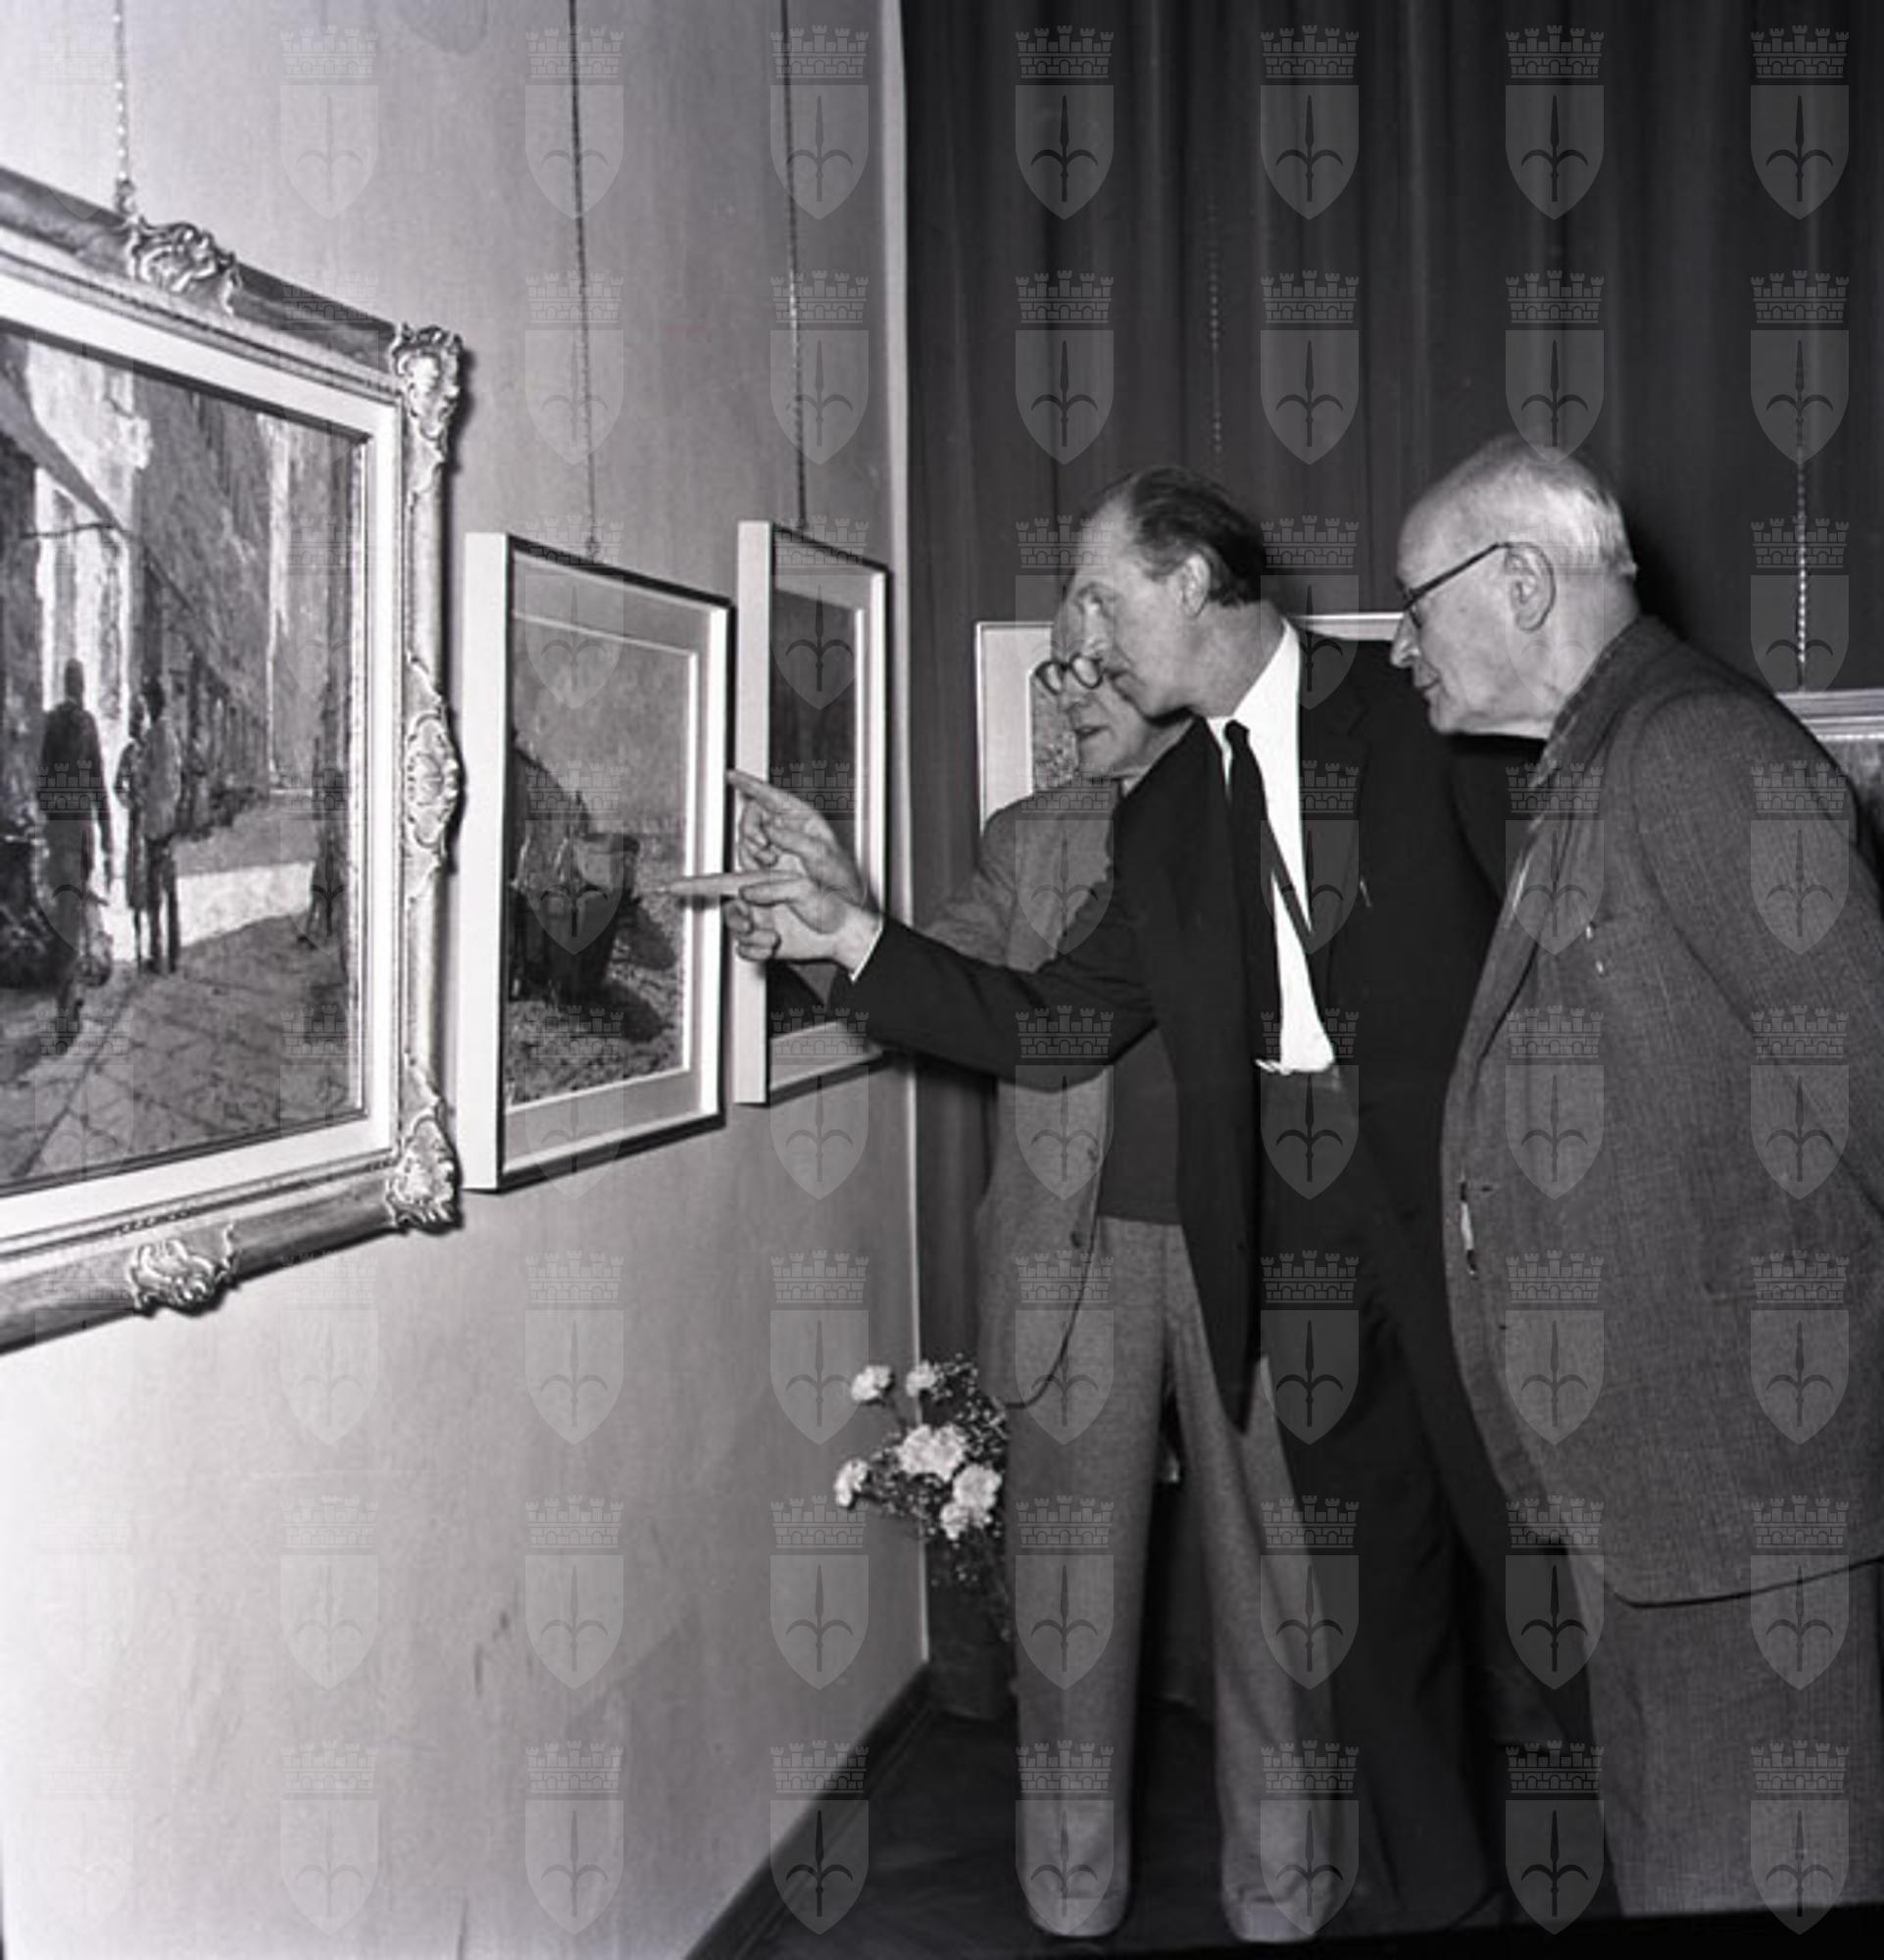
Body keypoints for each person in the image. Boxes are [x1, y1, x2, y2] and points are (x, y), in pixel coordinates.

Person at [699, 468, 1542, 1936]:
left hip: (1471, 1254)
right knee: (1378, 1646)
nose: (1077, 643)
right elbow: (1049, 1025)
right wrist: (847, 932)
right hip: (1262, 1260)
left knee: (1535, 1621)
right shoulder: (1163, 824)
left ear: (1194, 583)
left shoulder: (1424, 718)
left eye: (1099, 599)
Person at [1391, 433, 1884, 1915]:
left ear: (1520, 582)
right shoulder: (1597, 762)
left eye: (1414, 604)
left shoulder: (1695, 754)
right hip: (1664, 1487)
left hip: (1750, 1487)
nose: (1401, 647)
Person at [36, 657, 112, 1051]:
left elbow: (41, 782)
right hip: (81, 832)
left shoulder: (51, 723)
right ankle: (68, 1010)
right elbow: (98, 783)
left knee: (63, 918)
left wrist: (51, 813)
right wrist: (109, 835)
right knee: (76, 912)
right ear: (81, 687)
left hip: (60, 833)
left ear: (65, 685)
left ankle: (67, 1002)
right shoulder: (88, 725)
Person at [139, 674, 182, 973]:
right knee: (170, 889)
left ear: (154, 702)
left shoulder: (153, 735)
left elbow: (144, 775)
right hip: (169, 819)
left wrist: (142, 794)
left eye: (148, 701)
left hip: (155, 821)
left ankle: (157, 954)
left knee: (154, 891)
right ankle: (174, 953)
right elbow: (177, 778)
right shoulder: (172, 735)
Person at [113, 694, 148, 970]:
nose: (136, 724)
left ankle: (153, 944)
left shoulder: (155, 750)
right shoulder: (129, 752)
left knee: (153, 884)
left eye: (140, 718)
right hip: (138, 823)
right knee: (137, 882)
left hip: (154, 821)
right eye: (134, 719)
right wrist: (129, 802)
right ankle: (138, 945)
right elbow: (118, 785)